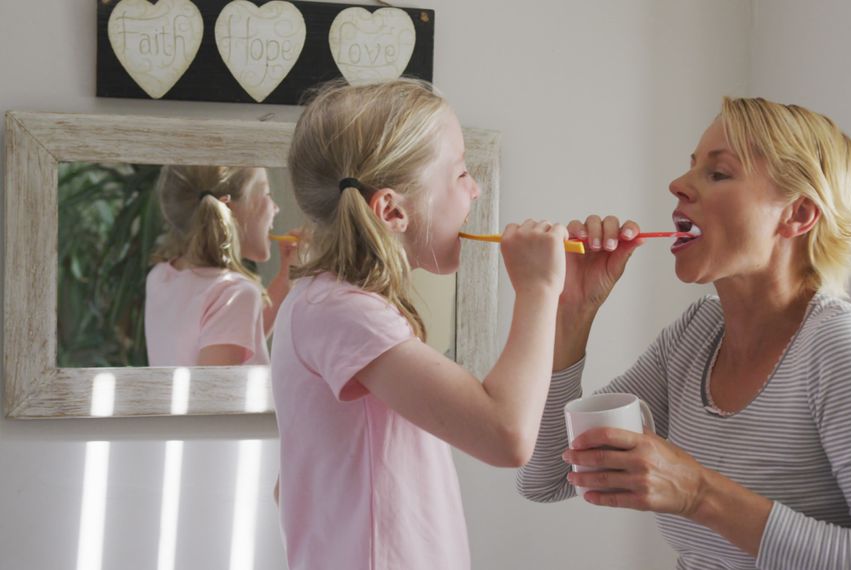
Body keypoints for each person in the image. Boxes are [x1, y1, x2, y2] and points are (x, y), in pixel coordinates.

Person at [517, 97, 851, 569]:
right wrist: (572, 312)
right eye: (691, 168)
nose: (677, 185)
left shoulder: (844, 350)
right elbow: (547, 477)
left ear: (798, 215)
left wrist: (698, 493)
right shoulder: (696, 335)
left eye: (718, 173)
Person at [271, 79, 567, 569]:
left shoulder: (325, 306)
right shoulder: (342, 312)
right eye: (461, 174)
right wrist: (539, 291)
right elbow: (506, 434)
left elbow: (294, 483)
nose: (476, 188)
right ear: (392, 210)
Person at [145, 165, 297, 366]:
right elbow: (213, 395)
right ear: (230, 210)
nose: (275, 208)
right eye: (266, 193)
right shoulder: (234, 294)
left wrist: (287, 275)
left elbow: (238, 331)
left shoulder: (160, 276)